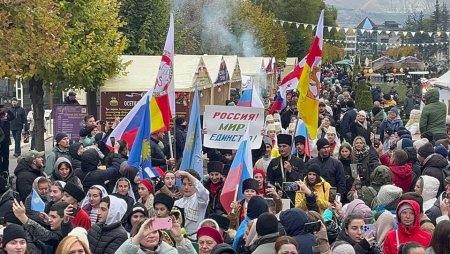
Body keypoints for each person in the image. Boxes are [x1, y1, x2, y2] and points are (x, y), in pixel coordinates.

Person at [115, 217, 196, 254]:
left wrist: (179, 239)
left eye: (154, 232)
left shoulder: (171, 252)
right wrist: (138, 238)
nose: (151, 236)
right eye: (147, 233)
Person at [267, 134, 306, 202]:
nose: (281, 149)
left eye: (284, 146)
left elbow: (303, 180)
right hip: (278, 197)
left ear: (290, 146)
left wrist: (291, 171)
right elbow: (269, 181)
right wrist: (275, 191)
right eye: (280, 146)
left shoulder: (299, 161)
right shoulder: (274, 162)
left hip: (295, 197)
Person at [174, 170, 210, 238]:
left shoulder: (200, 201)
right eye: (184, 184)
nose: (186, 187)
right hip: (179, 238)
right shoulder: (177, 203)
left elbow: (203, 191)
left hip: (194, 238)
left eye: (190, 184)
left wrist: (187, 174)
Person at [0, 105, 14, 173]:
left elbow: (12, 117)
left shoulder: (6, 116)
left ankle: (5, 172)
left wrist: (7, 110)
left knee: (5, 157)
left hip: (5, 140)